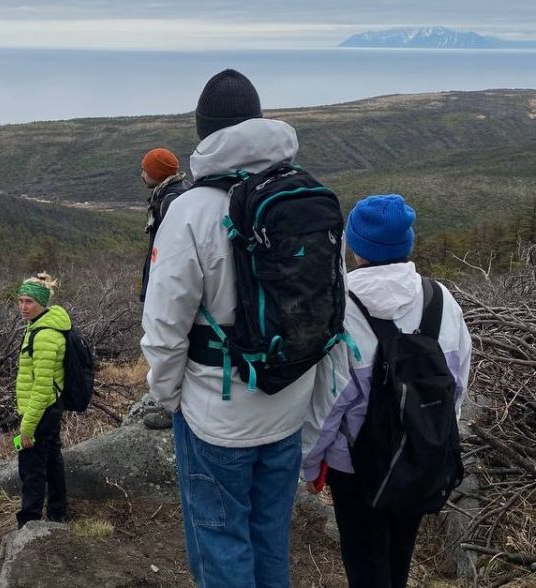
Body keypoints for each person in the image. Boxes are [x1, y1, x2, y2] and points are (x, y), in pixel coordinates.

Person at [141, 69, 318, 587]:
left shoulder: (191, 211)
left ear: (205, 132)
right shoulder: (304, 198)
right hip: (288, 403)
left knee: (221, 547)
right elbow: (329, 310)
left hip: (215, 416)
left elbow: (163, 328)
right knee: (269, 539)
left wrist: (172, 398)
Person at [302, 195, 471, 588]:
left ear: (354, 246)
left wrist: (310, 464)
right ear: (406, 244)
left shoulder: (341, 307)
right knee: (399, 557)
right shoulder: (442, 301)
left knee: (365, 562)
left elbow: (329, 403)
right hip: (421, 454)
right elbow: (456, 385)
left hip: (355, 468)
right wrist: (432, 439)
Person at [139, 147, 191, 431]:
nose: (142, 173)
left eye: (146, 168)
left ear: (157, 173)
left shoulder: (170, 199)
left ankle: (168, 404)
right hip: (168, 281)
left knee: (164, 337)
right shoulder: (178, 191)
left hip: (169, 285)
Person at [15, 272, 69, 528]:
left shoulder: (46, 334)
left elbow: (42, 386)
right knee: (51, 460)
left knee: (32, 468)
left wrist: (27, 425)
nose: (23, 307)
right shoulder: (38, 326)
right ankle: (57, 513)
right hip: (48, 408)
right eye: (20, 300)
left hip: (41, 410)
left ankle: (29, 521)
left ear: (42, 303)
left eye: (29, 302)